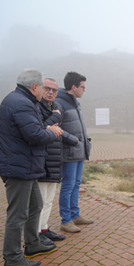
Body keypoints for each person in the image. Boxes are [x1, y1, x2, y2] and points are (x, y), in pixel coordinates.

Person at [0, 69, 63, 266]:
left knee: (35, 205)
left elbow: (30, 130)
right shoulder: (21, 103)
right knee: (18, 214)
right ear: (35, 87)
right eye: (42, 87)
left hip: (25, 165)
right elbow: (34, 135)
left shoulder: (19, 100)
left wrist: (43, 130)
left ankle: (33, 243)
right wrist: (52, 132)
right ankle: (12, 257)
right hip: (18, 166)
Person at [37, 78, 79, 244]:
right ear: (39, 88)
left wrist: (74, 140)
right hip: (40, 161)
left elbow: (58, 131)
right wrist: (53, 119)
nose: (51, 92)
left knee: (48, 201)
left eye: (54, 90)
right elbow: (36, 129)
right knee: (38, 203)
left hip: (55, 161)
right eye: (47, 89)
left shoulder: (56, 107)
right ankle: (35, 235)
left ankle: (44, 229)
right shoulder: (35, 107)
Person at [56, 71, 93, 233]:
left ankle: (75, 214)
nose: (84, 90)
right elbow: (56, 128)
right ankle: (66, 220)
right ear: (73, 87)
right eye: (82, 87)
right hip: (69, 151)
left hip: (79, 151)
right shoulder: (59, 103)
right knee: (68, 185)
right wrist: (73, 140)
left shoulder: (75, 103)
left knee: (76, 184)